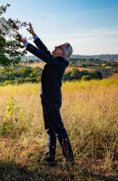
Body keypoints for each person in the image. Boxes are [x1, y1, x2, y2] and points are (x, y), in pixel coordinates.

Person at [16, 23, 75, 167]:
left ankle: (70, 162)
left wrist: (26, 43)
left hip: (52, 99)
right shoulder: (55, 60)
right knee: (50, 129)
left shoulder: (60, 62)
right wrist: (34, 35)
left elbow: (43, 55)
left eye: (59, 47)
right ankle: (50, 159)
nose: (55, 46)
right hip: (47, 98)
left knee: (59, 130)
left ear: (63, 52)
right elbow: (45, 51)